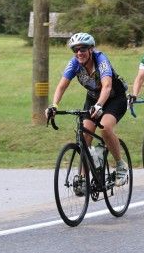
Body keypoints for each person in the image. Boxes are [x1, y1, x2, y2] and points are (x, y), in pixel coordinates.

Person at [45, 32, 129, 187]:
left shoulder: (101, 60)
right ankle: (83, 178)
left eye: (82, 49)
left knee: (105, 128)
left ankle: (120, 165)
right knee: (84, 135)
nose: (79, 53)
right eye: (75, 50)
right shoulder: (74, 63)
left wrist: (99, 106)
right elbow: (62, 85)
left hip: (114, 98)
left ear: (91, 49)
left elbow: (107, 86)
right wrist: (54, 105)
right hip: (93, 99)